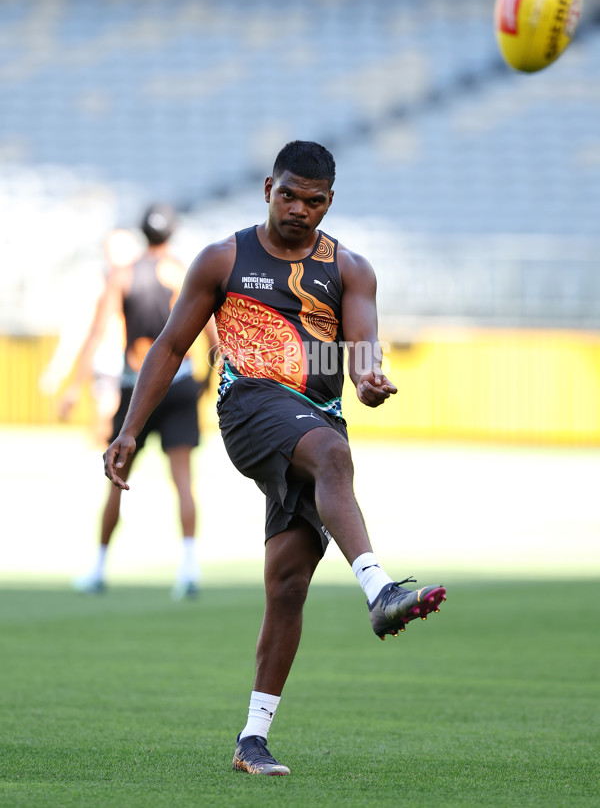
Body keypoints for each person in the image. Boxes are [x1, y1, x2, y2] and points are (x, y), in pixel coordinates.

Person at [104, 142, 447, 774]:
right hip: (249, 407)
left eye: (312, 200)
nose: (298, 208)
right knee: (334, 457)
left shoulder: (351, 270)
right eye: (288, 194)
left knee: (288, 584)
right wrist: (130, 430)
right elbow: (172, 347)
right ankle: (378, 590)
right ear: (268, 187)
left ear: (329, 203)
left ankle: (252, 738)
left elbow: (364, 353)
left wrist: (369, 381)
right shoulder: (222, 259)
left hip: (314, 420)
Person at [70, 204, 218, 598]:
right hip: (182, 381)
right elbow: (212, 334)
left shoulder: (122, 274)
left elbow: (98, 332)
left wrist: (74, 386)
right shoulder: (182, 271)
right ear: (171, 234)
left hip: (136, 386)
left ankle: (99, 568)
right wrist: (211, 381)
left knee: (116, 480)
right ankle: (189, 568)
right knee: (183, 481)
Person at [40, 228, 142, 445]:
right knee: (109, 418)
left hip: (137, 357)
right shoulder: (98, 285)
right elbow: (79, 329)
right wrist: (60, 369)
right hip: (111, 356)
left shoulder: (143, 281)